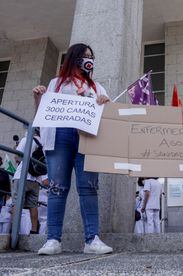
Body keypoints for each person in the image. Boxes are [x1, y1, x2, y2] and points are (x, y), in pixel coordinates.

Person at [33, 43, 112, 255]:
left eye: (91, 57)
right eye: (85, 56)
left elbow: (107, 116)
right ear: (74, 58)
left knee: (89, 186)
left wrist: (105, 102)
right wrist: (38, 97)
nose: (89, 60)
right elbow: (43, 113)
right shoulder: (56, 83)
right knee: (57, 187)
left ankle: (92, 239)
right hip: (59, 135)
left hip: (86, 137)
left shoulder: (96, 87)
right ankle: (52, 240)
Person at [11, 129, 42, 235]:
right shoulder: (43, 142)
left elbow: (17, 157)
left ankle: (14, 229)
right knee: (33, 205)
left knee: (16, 203)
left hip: (22, 176)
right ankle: (34, 230)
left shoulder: (26, 139)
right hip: (36, 179)